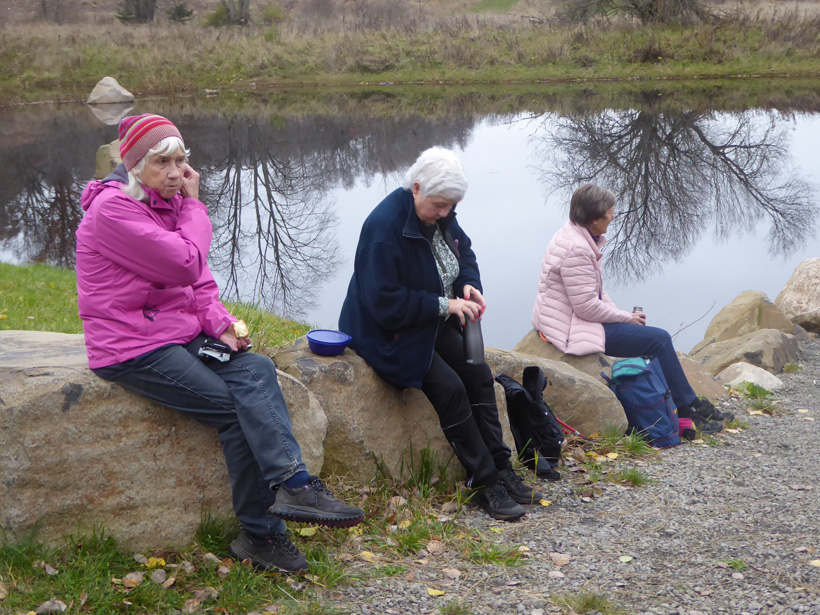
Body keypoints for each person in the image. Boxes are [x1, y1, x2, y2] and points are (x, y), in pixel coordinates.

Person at [75, 113, 364, 574]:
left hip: (174, 332)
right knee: (234, 410)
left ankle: (296, 485)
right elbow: (185, 262)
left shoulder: (163, 202)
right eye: (162, 162)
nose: (176, 173)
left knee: (257, 370)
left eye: (181, 161)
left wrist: (219, 322)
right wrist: (194, 206)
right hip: (129, 346)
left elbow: (199, 282)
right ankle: (261, 535)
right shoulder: (113, 211)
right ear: (134, 165)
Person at [339, 146, 543, 522]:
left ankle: (501, 468)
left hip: (427, 322)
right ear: (416, 187)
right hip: (387, 331)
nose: (446, 214)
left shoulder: (440, 214)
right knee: (450, 387)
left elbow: (465, 255)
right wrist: (444, 305)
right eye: (440, 205)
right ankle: (484, 482)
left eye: (451, 206)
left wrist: (467, 285)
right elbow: (383, 302)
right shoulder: (384, 228)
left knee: (479, 374)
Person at [531, 183, 733, 433]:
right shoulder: (578, 249)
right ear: (594, 219)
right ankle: (687, 408)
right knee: (658, 340)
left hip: (568, 317)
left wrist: (620, 315)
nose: (613, 217)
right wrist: (626, 318)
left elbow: (594, 290)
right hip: (571, 327)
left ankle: (686, 404)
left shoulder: (575, 235)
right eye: (609, 213)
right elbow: (586, 307)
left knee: (650, 338)